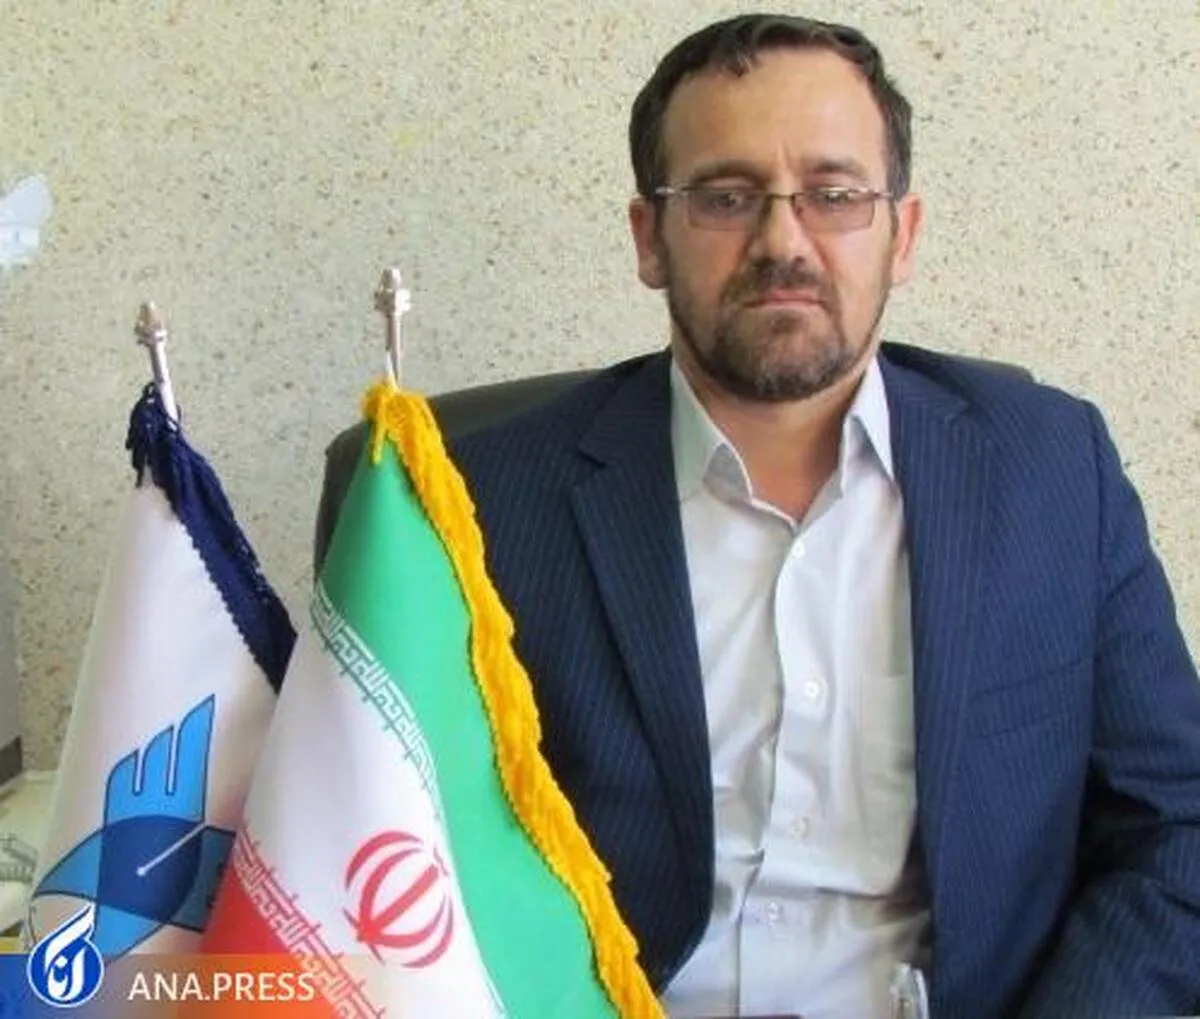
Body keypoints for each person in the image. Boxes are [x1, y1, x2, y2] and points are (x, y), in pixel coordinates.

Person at [316, 13, 1200, 1019]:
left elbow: (1176, 824)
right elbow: (371, 850)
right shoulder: (472, 500)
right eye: (727, 197)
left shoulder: (1049, 469)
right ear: (649, 239)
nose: (784, 242)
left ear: (903, 234)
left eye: (836, 194)